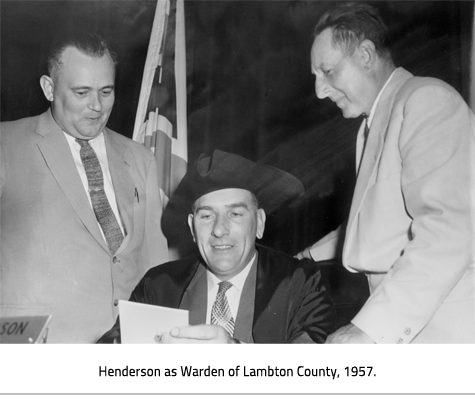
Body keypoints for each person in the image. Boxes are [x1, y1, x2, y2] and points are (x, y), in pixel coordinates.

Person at [297, 2, 475, 344]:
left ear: (365, 55)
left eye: (328, 72)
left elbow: (449, 227)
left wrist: (369, 329)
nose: (320, 91)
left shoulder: (426, 100)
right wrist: (302, 258)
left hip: (447, 328)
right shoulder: (378, 119)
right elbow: (378, 217)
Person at [0, 33, 168, 343]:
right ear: (49, 89)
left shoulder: (140, 158)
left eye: (106, 91)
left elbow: (156, 266)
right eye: (81, 92)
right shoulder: (5, 145)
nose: (96, 106)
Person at [98, 150, 336, 344]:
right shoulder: (159, 285)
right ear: (192, 228)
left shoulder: (300, 282)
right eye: (206, 216)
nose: (219, 229)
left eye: (235, 213)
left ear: (260, 223)